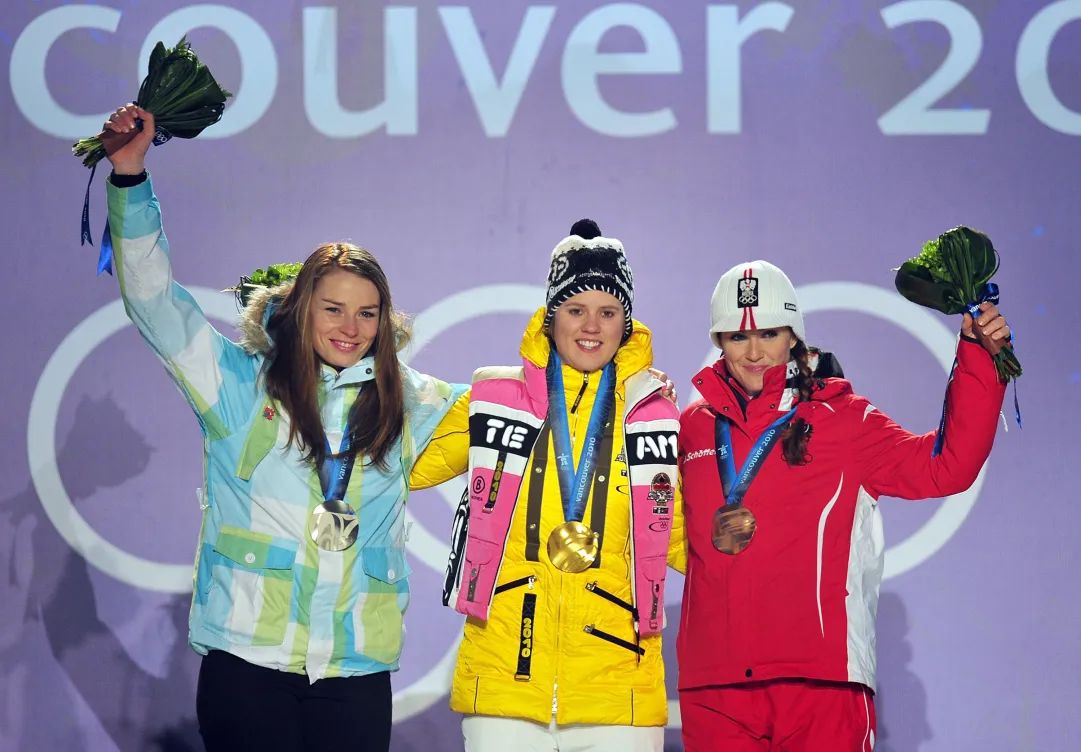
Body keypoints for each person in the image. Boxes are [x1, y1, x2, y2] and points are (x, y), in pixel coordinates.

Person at [98, 103, 467, 752]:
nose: (349, 327)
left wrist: (633, 383)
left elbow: (524, 401)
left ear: (384, 322)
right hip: (247, 669)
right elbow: (155, 304)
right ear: (300, 310)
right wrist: (130, 179)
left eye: (366, 313)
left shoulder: (410, 400)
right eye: (332, 308)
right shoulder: (237, 386)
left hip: (354, 674)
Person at [676, 260, 1010, 750]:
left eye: (768, 333)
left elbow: (947, 467)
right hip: (716, 689)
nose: (752, 352)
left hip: (821, 684)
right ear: (718, 340)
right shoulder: (691, 427)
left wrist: (980, 355)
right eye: (734, 336)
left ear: (793, 335)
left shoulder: (845, 420)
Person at [410, 220, 684, 751]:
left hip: (619, 685)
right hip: (505, 676)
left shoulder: (657, 414)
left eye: (609, 312)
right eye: (576, 309)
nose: (592, 326)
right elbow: (404, 465)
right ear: (550, 315)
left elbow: (682, 539)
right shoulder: (493, 397)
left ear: (626, 325)